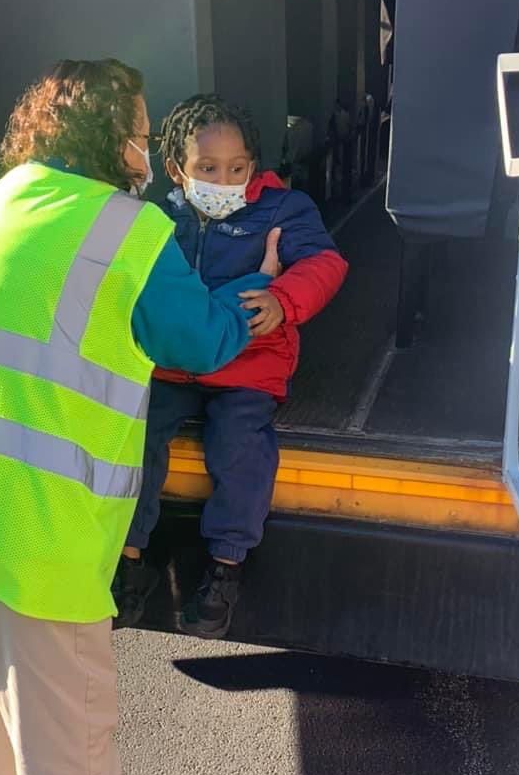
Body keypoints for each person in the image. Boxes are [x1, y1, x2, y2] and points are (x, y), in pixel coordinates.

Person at [0, 60, 281, 775]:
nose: (145, 148)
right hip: (28, 534)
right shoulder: (128, 230)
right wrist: (252, 292)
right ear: (116, 139)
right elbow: (199, 339)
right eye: (141, 131)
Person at [113, 94, 348, 640]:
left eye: (238, 168)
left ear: (254, 166)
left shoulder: (283, 209)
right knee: (135, 436)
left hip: (248, 366)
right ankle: (129, 559)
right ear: (177, 170)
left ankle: (226, 564)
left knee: (239, 445)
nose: (225, 181)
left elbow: (325, 263)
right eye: (209, 169)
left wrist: (282, 299)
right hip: (173, 365)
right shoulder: (156, 218)